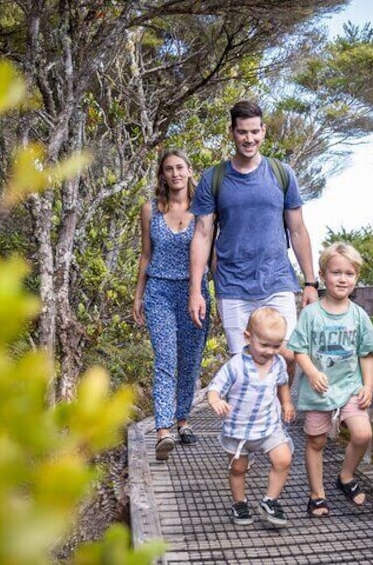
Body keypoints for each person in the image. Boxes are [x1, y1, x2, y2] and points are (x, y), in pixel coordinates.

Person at [188, 100, 318, 364]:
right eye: (242, 132)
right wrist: (195, 290)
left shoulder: (282, 174)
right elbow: (202, 235)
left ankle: (282, 407)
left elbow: (298, 229)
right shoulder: (214, 178)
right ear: (232, 132)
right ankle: (253, 407)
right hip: (233, 284)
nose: (249, 139)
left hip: (277, 280)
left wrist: (310, 282)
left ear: (264, 131)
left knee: (287, 355)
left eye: (255, 132)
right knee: (244, 363)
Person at [287, 242, 373, 517]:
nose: (342, 279)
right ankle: (317, 495)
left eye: (349, 274)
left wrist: (368, 384)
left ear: (356, 278)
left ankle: (346, 477)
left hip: (350, 386)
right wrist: (312, 372)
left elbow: (367, 353)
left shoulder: (359, 315)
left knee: (363, 433)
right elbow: (299, 349)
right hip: (319, 389)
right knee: (316, 441)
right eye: (336, 272)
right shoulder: (312, 313)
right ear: (323, 274)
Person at [132, 149, 211, 461]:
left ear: (190, 170)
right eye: (169, 169)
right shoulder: (150, 209)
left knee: (189, 362)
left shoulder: (205, 210)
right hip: (159, 291)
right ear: (162, 174)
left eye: (180, 167)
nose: (175, 173)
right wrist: (138, 295)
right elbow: (145, 255)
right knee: (165, 359)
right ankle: (163, 429)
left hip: (195, 293)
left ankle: (183, 420)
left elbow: (211, 255)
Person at [206, 307, 295, 527]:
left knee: (283, 458)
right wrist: (216, 400)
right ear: (248, 337)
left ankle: (270, 500)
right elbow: (214, 387)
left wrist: (286, 402)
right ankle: (239, 503)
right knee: (238, 469)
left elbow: (282, 383)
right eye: (264, 345)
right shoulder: (235, 365)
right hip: (239, 431)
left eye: (276, 346)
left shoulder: (278, 363)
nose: (269, 351)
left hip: (268, 427)